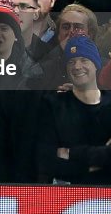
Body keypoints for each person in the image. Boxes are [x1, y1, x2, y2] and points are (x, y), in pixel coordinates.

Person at [37, 35, 111, 184]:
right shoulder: (53, 106)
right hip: (69, 199)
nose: (77, 66)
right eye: (71, 61)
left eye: (84, 60)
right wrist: (96, 164)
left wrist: (70, 152)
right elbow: (46, 160)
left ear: (96, 64)